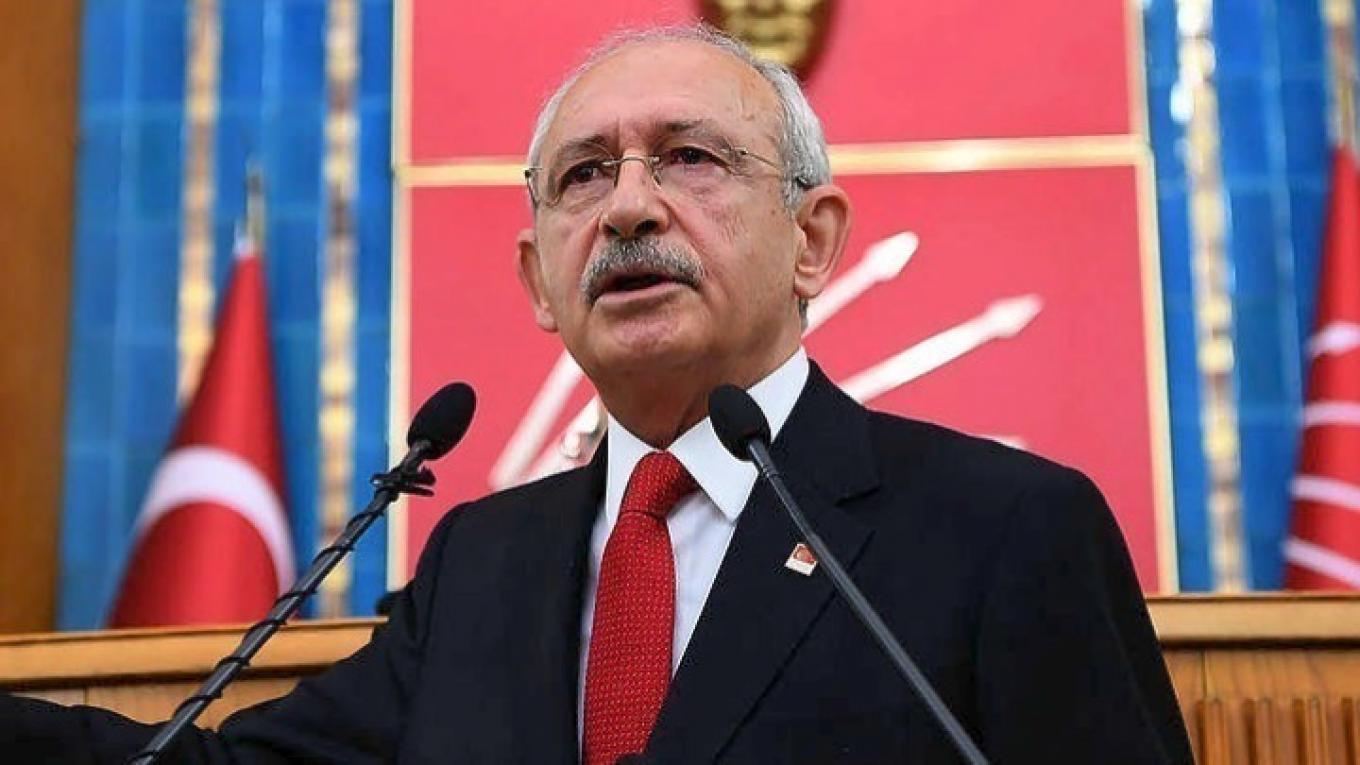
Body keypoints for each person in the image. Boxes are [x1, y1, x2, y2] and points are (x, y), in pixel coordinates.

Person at [4, 24, 1194, 764]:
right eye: (582, 175)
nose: (627, 207)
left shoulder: (1003, 528)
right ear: (539, 280)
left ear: (812, 241)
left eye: (689, 158)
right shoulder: (480, 563)